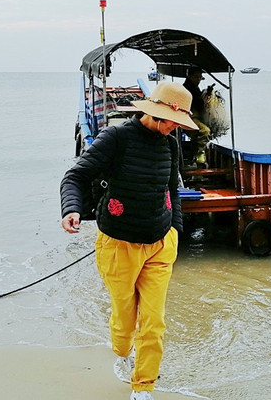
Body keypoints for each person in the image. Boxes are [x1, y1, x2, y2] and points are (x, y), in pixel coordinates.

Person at [60, 82, 198, 400]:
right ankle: (124, 348)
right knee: (124, 326)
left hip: (161, 243)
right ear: (156, 113)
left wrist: (175, 229)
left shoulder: (170, 142)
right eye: (173, 121)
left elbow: (171, 189)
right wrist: (72, 209)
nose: (176, 127)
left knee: (154, 320)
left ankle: (143, 387)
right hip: (118, 245)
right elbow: (75, 177)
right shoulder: (117, 138)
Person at [182, 68, 211, 167]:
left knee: (196, 139)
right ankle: (199, 154)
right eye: (196, 77)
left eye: (200, 77)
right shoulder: (187, 89)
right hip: (187, 119)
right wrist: (204, 100)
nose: (198, 80)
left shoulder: (195, 88)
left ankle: (195, 161)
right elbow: (198, 104)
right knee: (205, 131)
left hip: (194, 119)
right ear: (189, 76)